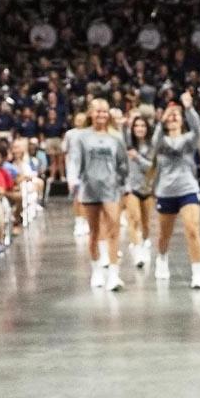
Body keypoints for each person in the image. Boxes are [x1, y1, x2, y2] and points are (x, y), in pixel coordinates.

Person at [67, 98, 129, 291]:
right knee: (94, 232)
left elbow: (123, 163)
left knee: (113, 229)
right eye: (98, 111)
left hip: (110, 188)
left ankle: (114, 274)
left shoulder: (116, 136)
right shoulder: (81, 136)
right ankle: (96, 270)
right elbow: (75, 160)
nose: (101, 114)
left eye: (105, 111)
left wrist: (124, 183)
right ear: (91, 113)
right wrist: (73, 180)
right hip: (89, 188)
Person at [150, 91, 200, 289]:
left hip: (187, 188)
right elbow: (154, 144)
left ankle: (197, 273)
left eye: (176, 115)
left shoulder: (189, 139)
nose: (173, 118)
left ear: (182, 120)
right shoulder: (161, 141)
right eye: (170, 116)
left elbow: (198, 129)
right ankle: (162, 259)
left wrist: (189, 108)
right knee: (164, 234)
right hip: (166, 191)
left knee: (192, 229)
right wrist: (161, 120)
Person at [123, 114, 155, 270]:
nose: (140, 129)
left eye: (142, 126)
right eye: (137, 126)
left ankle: (145, 243)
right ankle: (137, 251)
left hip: (147, 188)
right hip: (131, 188)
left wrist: (137, 158)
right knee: (133, 219)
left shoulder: (152, 146)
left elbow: (152, 167)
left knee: (146, 222)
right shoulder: (127, 146)